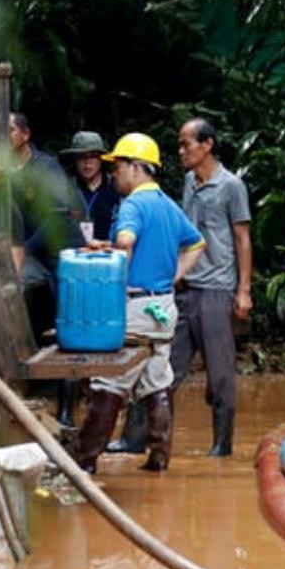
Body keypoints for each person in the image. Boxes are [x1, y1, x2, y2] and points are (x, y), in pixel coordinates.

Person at [70, 133, 206, 474]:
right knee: (156, 379)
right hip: (163, 307)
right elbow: (197, 244)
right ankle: (159, 457)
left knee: (109, 382)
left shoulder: (132, 205)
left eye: (117, 167)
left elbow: (127, 240)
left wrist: (116, 251)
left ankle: (85, 459)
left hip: (134, 308)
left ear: (134, 167)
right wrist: (173, 277)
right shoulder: (167, 204)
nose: (115, 174)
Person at [165, 117, 253, 458]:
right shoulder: (189, 181)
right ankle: (147, 438)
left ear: (207, 145)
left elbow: (243, 238)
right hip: (187, 287)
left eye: (187, 143)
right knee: (166, 367)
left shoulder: (231, 186)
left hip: (217, 289)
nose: (181, 150)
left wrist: (243, 290)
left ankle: (222, 444)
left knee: (219, 372)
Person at [8, 112, 84, 428]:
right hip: (30, 250)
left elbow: (58, 217)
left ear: (25, 134)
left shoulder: (46, 168)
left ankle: (66, 409)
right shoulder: (4, 171)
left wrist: (22, 251)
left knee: (68, 326)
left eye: (10, 130)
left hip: (58, 252)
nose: (4, 136)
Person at [60, 131, 121, 245]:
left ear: (101, 159)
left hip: (109, 255)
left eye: (93, 156)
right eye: (81, 157)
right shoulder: (64, 188)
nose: (87, 163)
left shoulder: (116, 188)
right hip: (74, 257)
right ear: (74, 159)